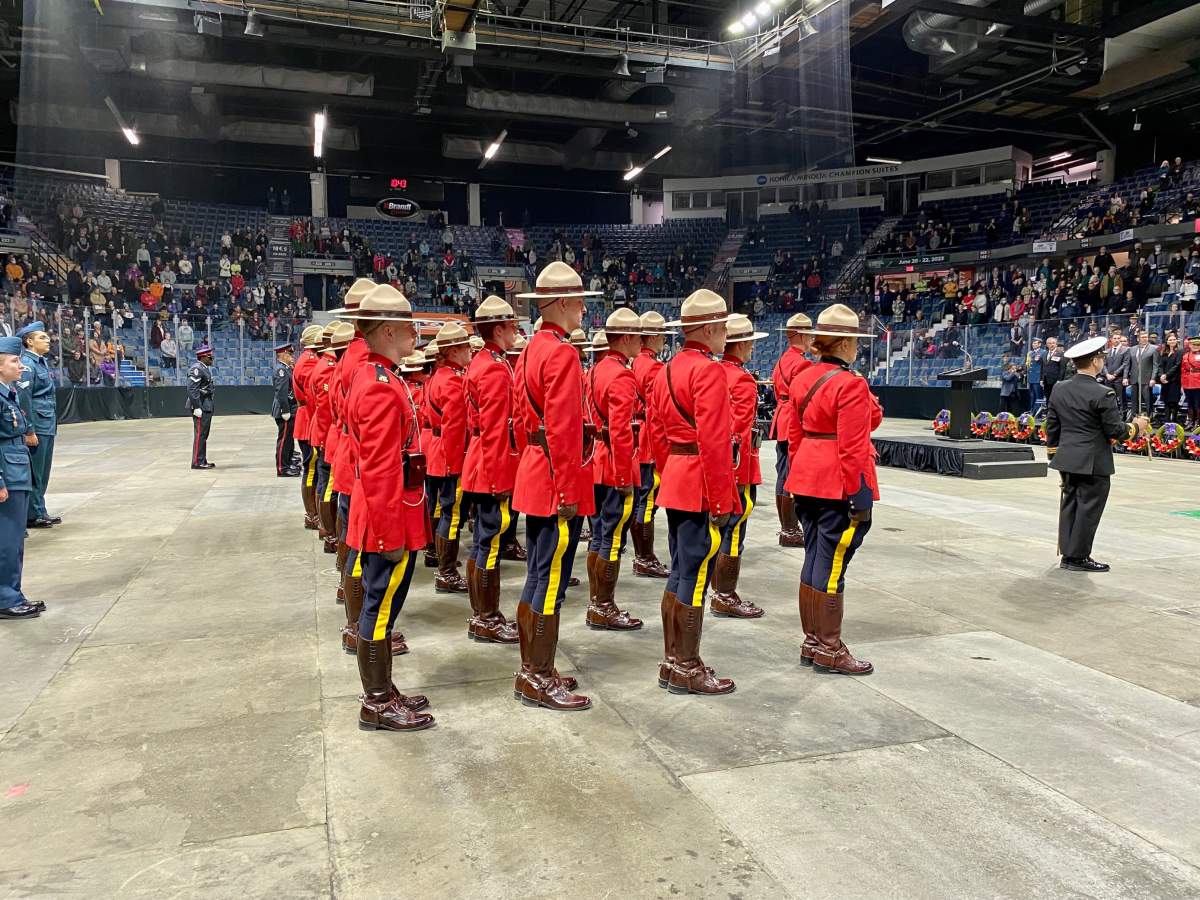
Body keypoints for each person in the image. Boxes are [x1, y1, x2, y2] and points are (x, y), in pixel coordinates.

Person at [341, 286, 434, 732]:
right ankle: (376, 700)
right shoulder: (377, 384)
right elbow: (379, 469)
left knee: (384, 605)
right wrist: (388, 535)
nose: (415, 333)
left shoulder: (381, 375)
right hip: (388, 512)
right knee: (379, 607)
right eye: (409, 326)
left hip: (392, 508)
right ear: (390, 330)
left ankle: (384, 690)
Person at [510, 261, 600, 711]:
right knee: (549, 581)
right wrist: (568, 493)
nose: (584, 309)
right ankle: (537, 675)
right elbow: (564, 431)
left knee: (539, 576)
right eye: (580, 301)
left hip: (534, 469)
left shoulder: (531, 349)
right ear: (562, 303)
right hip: (554, 478)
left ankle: (533, 668)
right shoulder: (562, 353)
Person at [649, 288, 740, 696]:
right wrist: (723, 499)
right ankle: (686, 665)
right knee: (696, 573)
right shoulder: (709, 371)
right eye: (721, 327)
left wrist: (672, 473)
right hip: (701, 481)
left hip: (677, 480)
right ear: (708, 328)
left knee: (680, 570)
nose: (725, 335)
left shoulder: (667, 369)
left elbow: (656, 433)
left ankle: (673, 660)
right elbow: (715, 441)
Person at [786, 303, 881, 676]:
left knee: (814, 558)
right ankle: (829, 647)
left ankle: (813, 641)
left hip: (807, 476)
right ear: (843, 343)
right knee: (833, 564)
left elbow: (794, 435)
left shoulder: (803, 378)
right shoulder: (851, 384)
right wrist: (860, 497)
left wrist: (797, 474)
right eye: (854, 340)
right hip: (836, 483)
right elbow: (854, 447)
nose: (856, 347)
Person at [1046, 336, 1150, 572]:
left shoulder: (1059, 388)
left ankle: (1069, 554)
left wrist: (1054, 454)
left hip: (1067, 458)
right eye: (1101, 358)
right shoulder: (1103, 393)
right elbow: (1116, 431)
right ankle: (1078, 557)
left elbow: (1052, 426)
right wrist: (1137, 427)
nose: (1103, 361)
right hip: (1093, 461)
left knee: (1071, 505)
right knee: (1089, 509)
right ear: (1094, 362)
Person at [461, 296, 522, 644]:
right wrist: (501, 479)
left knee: (487, 543)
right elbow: (497, 427)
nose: (515, 332)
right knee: (489, 544)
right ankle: (486, 616)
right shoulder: (494, 368)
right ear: (497, 329)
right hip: (490, 465)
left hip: (482, 459)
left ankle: (485, 614)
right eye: (512, 326)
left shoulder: (484, 361)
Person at [584, 307, 645, 632]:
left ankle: (598, 601)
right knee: (611, 538)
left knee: (598, 536)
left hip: (595, 460)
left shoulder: (595, 371)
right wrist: (624, 476)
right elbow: (621, 430)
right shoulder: (621, 375)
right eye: (636, 336)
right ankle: (603, 605)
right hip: (612, 465)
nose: (641, 342)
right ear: (624, 338)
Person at [710, 313, 769, 619]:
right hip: (739, 466)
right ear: (741, 344)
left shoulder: (715, 372)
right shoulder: (743, 380)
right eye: (748, 343)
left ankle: (717, 590)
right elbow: (739, 430)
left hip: (715, 466)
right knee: (735, 531)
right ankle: (725, 594)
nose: (751, 349)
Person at [425, 321, 472, 594]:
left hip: (438, 451)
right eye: (465, 346)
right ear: (453, 350)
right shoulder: (452, 380)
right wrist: (458, 465)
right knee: (452, 515)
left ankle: (439, 558)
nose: (469, 352)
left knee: (442, 511)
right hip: (449, 455)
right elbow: (455, 427)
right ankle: (447, 572)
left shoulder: (437, 377)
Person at [629, 310, 672, 578]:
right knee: (648, 500)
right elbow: (659, 409)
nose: (664, 342)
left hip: (638, 435)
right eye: (662, 337)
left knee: (643, 499)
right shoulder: (653, 368)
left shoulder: (635, 363)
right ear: (653, 337)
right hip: (649, 438)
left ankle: (642, 554)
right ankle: (644, 556)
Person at [0, 336, 39, 620]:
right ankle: (6, 598)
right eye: (15, 361)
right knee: (7, 540)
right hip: (7, 474)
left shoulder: (8, 393)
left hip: (17, 470)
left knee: (15, 540)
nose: (21, 366)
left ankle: (13, 592)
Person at [769, 313, 813, 547]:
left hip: (781, 418)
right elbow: (804, 397)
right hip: (792, 419)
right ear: (803, 335)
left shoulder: (781, 361)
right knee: (789, 476)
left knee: (782, 473)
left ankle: (788, 527)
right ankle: (790, 530)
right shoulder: (802, 363)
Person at [14, 322, 59, 528]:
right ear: (29, 342)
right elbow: (24, 398)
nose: (47, 339)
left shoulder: (40, 362)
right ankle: (34, 513)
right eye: (42, 337)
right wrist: (29, 429)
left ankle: (39, 509)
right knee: (36, 471)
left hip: (47, 423)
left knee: (43, 471)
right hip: (38, 425)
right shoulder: (28, 364)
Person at [292, 325, 325, 529]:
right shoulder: (310, 362)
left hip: (308, 419)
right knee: (312, 469)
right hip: (309, 420)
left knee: (313, 469)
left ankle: (314, 514)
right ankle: (313, 514)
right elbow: (313, 396)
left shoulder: (307, 359)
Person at [186, 344, 216, 469]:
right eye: (210, 357)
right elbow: (192, 389)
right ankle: (197, 462)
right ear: (203, 357)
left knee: (203, 434)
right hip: (201, 405)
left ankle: (201, 459)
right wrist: (196, 406)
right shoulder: (196, 369)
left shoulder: (204, 368)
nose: (211, 359)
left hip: (206, 404)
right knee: (200, 434)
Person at [271, 342, 299, 477]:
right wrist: (285, 410)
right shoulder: (281, 371)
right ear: (281, 355)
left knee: (288, 440)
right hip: (284, 411)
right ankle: (282, 468)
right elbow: (281, 393)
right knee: (283, 440)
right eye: (289, 354)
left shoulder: (287, 369)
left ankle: (287, 463)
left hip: (289, 408)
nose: (292, 356)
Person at [1126, 330, 1159, 418]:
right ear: (1138, 339)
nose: (1145, 339)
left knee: (1148, 400)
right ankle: (1134, 418)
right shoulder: (1132, 349)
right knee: (1134, 401)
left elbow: (1155, 365)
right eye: (1142, 337)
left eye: (1146, 337)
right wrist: (1125, 377)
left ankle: (1149, 418)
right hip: (1134, 378)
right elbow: (1128, 364)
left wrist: (1153, 378)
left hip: (1147, 379)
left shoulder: (1154, 348)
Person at [1100, 334, 1130, 416]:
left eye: (1118, 338)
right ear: (1111, 340)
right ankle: (1110, 415)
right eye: (1115, 338)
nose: (1116, 340)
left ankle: (1123, 416)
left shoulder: (1125, 350)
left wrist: (1115, 374)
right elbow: (1103, 364)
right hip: (1108, 378)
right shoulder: (1107, 351)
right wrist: (1107, 374)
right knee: (1109, 398)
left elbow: (1125, 364)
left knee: (1121, 398)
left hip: (1119, 378)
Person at [1158, 333, 1183, 422]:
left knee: (1174, 403)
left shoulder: (1180, 351)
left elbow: (1177, 365)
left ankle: (1173, 423)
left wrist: (1166, 375)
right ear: (1167, 341)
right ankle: (1166, 423)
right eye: (1170, 340)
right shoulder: (1164, 352)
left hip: (1174, 381)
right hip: (1165, 381)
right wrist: (1161, 375)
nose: (1172, 341)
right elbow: (1160, 365)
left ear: (1176, 341)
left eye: (1174, 339)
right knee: (1166, 403)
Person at [1042, 336, 1068, 403]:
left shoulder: (1061, 354)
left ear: (1056, 344)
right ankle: (1049, 412)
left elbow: (1062, 369)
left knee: (1056, 398)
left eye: (1053, 343)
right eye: (1050, 343)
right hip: (1046, 380)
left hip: (1056, 381)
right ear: (1047, 345)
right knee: (1048, 398)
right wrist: (1041, 379)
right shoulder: (1044, 354)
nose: (1052, 345)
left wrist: (1060, 380)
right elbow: (1042, 367)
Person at [1183, 336, 1200, 428]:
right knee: (1190, 403)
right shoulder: (1186, 356)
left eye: (1197, 345)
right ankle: (1190, 421)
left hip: (1198, 383)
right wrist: (1183, 383)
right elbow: (1183, 370)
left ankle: (1198, 422)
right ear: (1190, 345)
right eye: (1193, 344)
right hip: (1187, 383)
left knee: (1198, 404)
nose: (1195, 346)